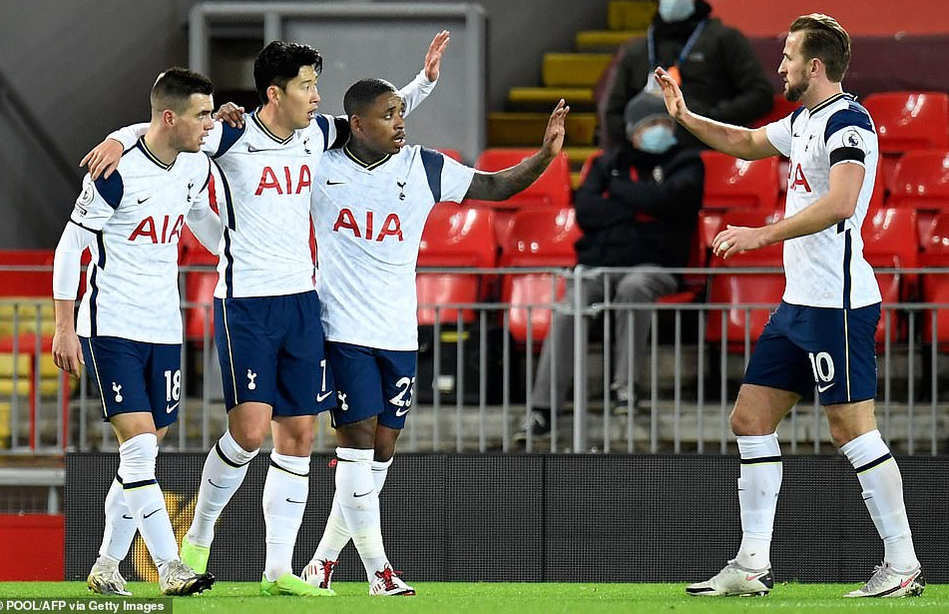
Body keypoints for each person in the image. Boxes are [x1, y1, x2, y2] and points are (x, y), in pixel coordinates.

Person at [82, 32, 450, 597]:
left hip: (303, 303)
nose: (317, 96)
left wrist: (422, 83)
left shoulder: (317, 134)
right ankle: (200, 532)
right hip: (246, 303)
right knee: (250, 433)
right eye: (308, 86)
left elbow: (374, 118)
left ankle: (278, 570)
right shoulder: (229, 136)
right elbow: (170, 127)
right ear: (275, 93)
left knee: (299, 435)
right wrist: (119, 136)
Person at [655, 13, 924, 598]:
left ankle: (902, 564)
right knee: (750, 419)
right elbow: (746, 142)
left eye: (788, 57)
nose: (780, 67)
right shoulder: (803, 120)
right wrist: (685, 117)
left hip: (838, 304)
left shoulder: (849, 122)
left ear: (815, 65)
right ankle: (751, 564)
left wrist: (761, 234)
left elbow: (842, 202)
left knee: (852, 431)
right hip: (798, 304)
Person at [295, 80, 568, 595]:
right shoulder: (319, 165)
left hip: (399, 331)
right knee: (356, 445)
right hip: (341, 330)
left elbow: (496, 187)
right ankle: (379, 572)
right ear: (356, 124)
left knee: (381, 450)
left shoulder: (423, 166)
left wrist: (545, 156)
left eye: (401, 111)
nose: (400, 121)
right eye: (388, 114)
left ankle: (322, 561)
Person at [53, 68, 224, 597]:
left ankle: (107, 564)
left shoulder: (194, 164)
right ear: (170, 117)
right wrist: (64, 326)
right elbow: (70, 247)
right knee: (141, 447)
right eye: (201, 115)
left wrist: (242, 248)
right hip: (112, 326)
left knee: (141, 456)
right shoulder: (115, 172)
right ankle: (171, 566)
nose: (209, 124)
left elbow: (202, 219)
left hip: (163, 328)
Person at [514, 91, 703, 441]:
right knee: (572, 300)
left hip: (656, 264)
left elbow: (672, 201)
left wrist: (617, 192)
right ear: (632, 130)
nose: (660, 130)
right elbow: (587, 212)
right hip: (600, 264)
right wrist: (644, 209)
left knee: (634, 287)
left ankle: (624, 388)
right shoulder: (605, 163)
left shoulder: (687, 163)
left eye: (665, 123)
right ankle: (543, 409)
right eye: (651, 124)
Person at [603, 0, 772, 150]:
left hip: (706, 150)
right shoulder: (637, 50)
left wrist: (709, 119)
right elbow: (613, 113)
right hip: (644, 154)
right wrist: (637, 134)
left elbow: (760, 95)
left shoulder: (724, 39)